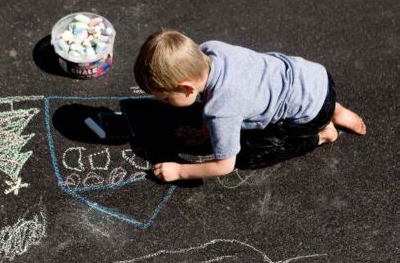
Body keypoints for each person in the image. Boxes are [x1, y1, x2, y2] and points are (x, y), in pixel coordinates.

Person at [133, 29, 366, 182]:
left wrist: (180, 171)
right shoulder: (211, 50)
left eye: (165, 98)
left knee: (249, 156)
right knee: (305, 97)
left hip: (310, 113)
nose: (163, 103)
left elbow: (224, 165)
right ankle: (336, 109)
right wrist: (205, 133)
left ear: (186, 88)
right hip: (314, 77)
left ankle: (323, 134)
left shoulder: (221, 110)